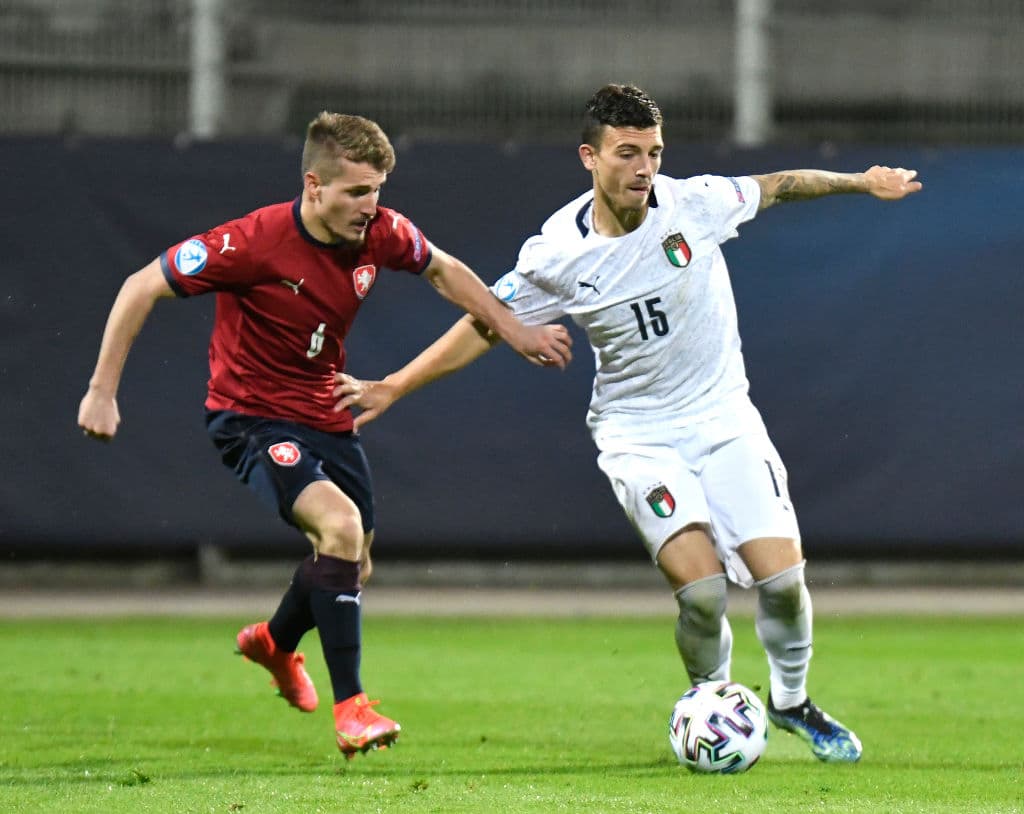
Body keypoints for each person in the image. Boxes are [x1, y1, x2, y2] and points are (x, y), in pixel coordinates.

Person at [335, 84, 923, 763]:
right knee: (703, 596)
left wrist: (859, 181)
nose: (645, 168)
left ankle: (791, 702)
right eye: (627, 153)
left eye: (654, 152)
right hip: (639, 436)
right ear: (589, 157)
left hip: (725, 419)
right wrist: (397, 385)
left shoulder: (693, 204)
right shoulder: (557, 252)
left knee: (784, 586)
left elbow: (780, 185)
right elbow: (483, 325)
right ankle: (712, 706)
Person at [77, 111, 573, 758]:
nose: (371, 208)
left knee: (351, 563)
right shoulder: (252, 243)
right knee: (338, 531)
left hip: (326, 413)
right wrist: (101, 390)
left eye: (377, 191)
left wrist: (516, 330)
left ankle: (276, 644)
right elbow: (140, 284)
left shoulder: (381, 234)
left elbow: (445, 270)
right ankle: (353, 709)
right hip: (250, 417)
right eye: (355, 192)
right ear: (314, 186)